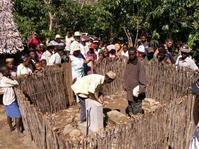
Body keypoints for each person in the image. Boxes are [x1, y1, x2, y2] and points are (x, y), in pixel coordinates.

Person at [123, 47, 147, 116]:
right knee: (130, 104)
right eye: (129, 54)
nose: (131, 56)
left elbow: (142, 78)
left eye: (132, 54)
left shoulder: (140, 64)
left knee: (137, 109)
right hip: (129, 87)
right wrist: (125, 84)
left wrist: (141, 88)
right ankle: (131, 116)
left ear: (136, 53)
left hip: (136, 89)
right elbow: (126, 73)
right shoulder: (128, 62)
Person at [0, 67, 22, 133]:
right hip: (10, 100)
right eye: (7, 71)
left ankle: (11, 128)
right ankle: (18, 131)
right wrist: (12, 78)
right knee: (18, 116)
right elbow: (16, 83)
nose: (8, 71)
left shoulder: (2, 79)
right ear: (3, 73)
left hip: (5, 101)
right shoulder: (6, 79)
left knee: (9, 115)